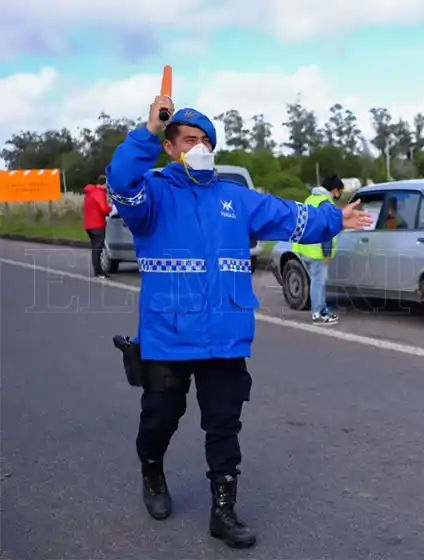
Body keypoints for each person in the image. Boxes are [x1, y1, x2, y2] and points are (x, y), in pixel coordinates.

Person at [106, 96, 372, 550]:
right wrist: (147, 132)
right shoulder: (150, 196)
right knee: (161, 418)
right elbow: (122, 181)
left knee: (224, 426)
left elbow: (291, 217)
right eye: (189, 140)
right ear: (170, 147)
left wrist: (335, 217)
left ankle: (223, 512)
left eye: (207, 140)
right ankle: (152, 472)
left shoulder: (235, 197)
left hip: (225, 335)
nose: (200, 146)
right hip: (169, 334)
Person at [292, 174, 345, 324]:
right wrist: (327, 253)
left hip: (304, 248)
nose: (340, 194)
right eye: (340, 191)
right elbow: (326, 230)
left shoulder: (311, 199)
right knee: (318, 282)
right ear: (334, 190)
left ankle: (323, 310)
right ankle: (318, 314)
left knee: (317, 281)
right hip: (317, 251)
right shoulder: (326, 204)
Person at [83, 175, 112, 278]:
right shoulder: (99, 193)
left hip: (88, 225)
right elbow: (103, 208)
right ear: (104, 184)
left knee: (95, 248)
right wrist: (110, 208)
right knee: (98, 249)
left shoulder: (89, 193)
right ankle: (98, 272)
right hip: (97, 224)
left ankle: (98, 270)